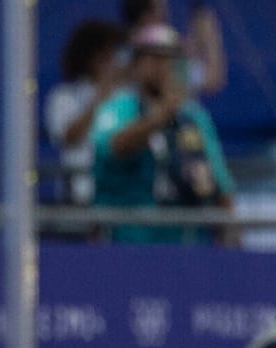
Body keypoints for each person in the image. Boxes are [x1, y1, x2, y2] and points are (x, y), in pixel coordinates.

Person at [91, 22, 233, 245]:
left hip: (187, 242)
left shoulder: (193, 116)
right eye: (154, 58)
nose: (163, 66)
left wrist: (230, 235)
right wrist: (159, 118)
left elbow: (220, 182)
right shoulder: (118, 108)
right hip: (129, 240)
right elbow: (112, 147)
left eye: (170, 58)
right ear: (136, 64)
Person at [45, 20, 124, 206]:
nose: (114, 63)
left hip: (121, 197)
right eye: (108, 56)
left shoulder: (127, 96)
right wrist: (99, 100)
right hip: (80, 198)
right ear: (92, 58)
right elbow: (68, 137)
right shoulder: (63, 96)